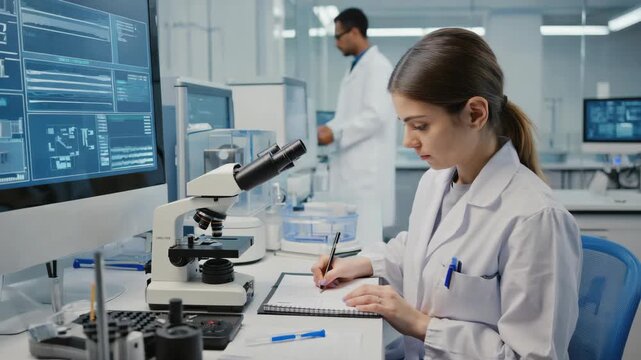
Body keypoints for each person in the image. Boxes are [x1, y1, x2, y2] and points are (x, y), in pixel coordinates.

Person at [312, 28, 582, 359]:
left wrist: (420, 324)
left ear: (475, 114)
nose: (407, 141)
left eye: (420, 125)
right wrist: (361, 264)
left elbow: (534, 356)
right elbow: (419, 253)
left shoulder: (536, 220)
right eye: (404, 124)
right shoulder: (436, 181)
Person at [317, 8, 396, 244]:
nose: (336, 43)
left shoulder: (378, 66)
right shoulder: (356, 67)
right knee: (354, 237)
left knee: (366, 241)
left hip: (366, 173)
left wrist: (336, 133)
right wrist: (327, 127)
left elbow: (375, 116)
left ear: (354, 32)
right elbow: (347, 115)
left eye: (339, 36)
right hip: (353, 169)